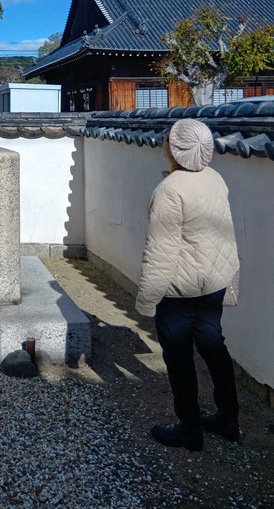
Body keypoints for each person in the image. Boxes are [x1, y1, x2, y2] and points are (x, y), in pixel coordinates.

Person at [135, 118, 240, 452]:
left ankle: (189, 429)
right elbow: (225, 234)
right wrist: (232, 281)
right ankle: (228, 418)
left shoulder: (170, 191)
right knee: (214, 348)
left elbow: (161, 253)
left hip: (180, 291)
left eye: (167, 138)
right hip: (214, 283)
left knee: (179, 359)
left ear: (173, 148)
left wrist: (147, 301)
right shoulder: (214, 178)